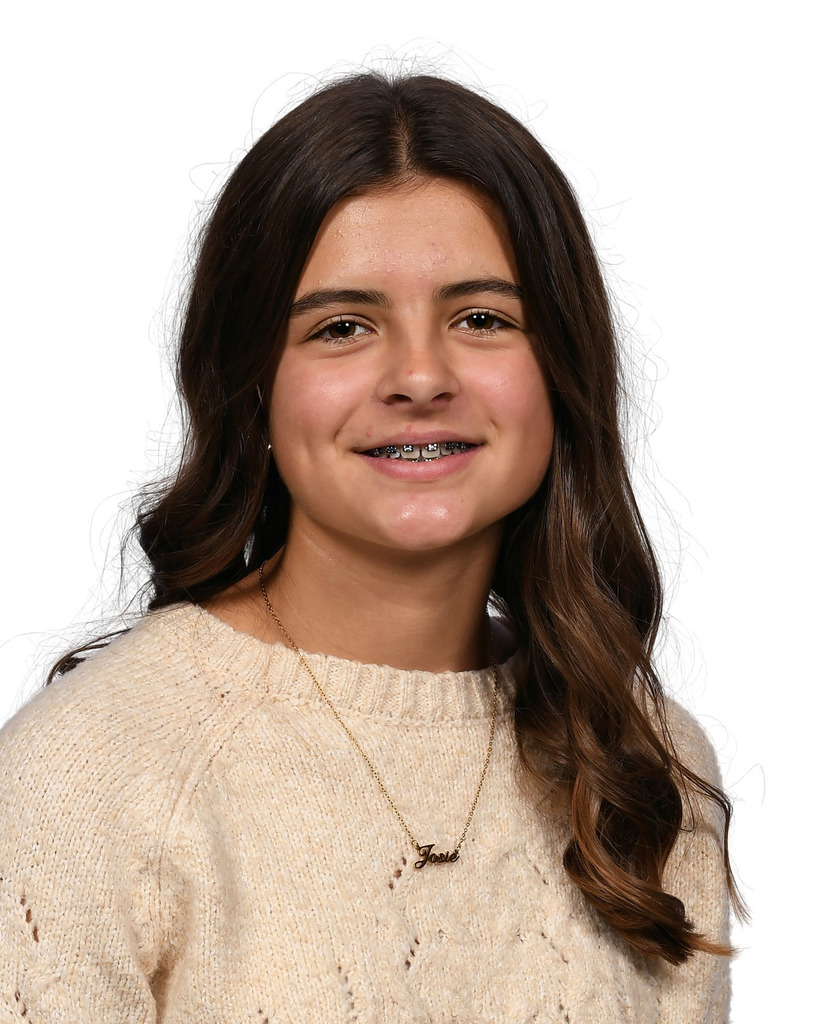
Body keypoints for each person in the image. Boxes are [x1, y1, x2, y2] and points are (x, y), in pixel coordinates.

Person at [0, 72, 741, 1022]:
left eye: (481, 319)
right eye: (342, 327)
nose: (420, 377)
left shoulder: (642, 760)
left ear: (561, 367)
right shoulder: (82, 781)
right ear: (249, 382)